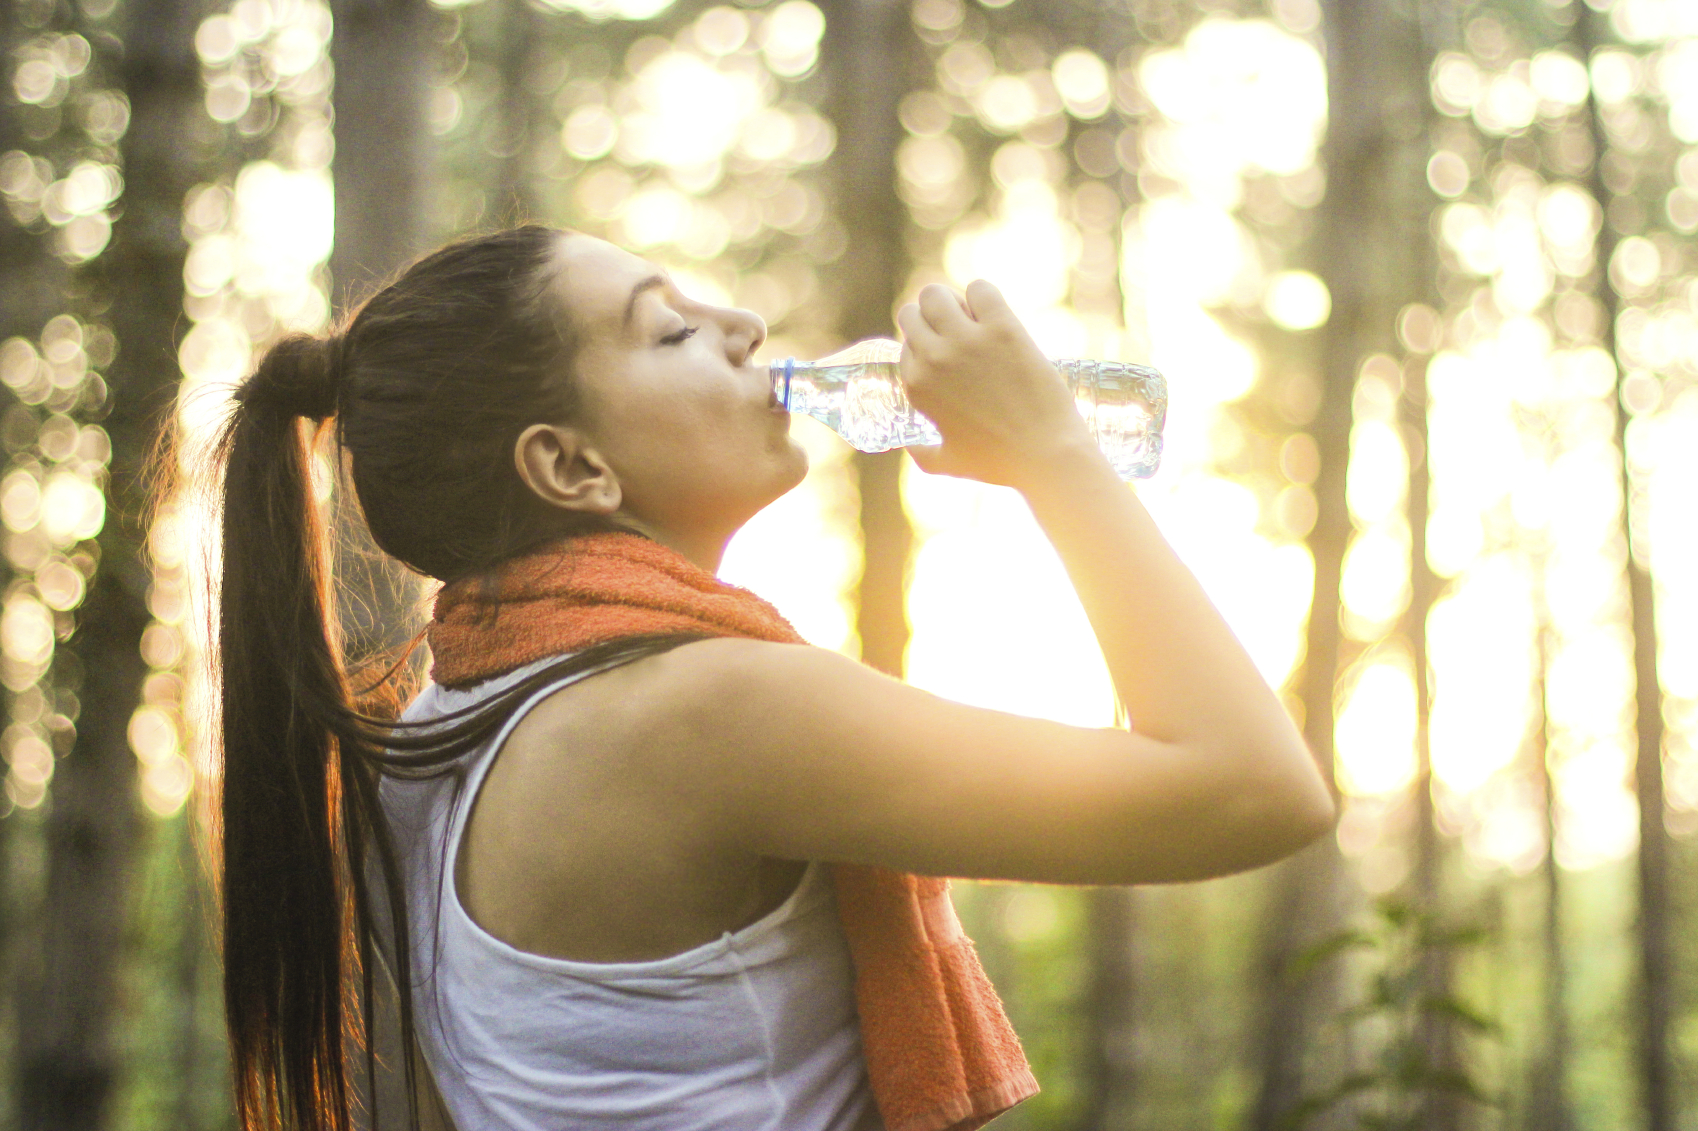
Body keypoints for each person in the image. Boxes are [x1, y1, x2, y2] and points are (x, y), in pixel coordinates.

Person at [205, 224, 1335, 1131]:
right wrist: (1055, 454)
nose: (743, 326)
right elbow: (1255, 788)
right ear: (570, 464)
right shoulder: (702, 712)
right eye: (670, 332)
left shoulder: (436, 732)